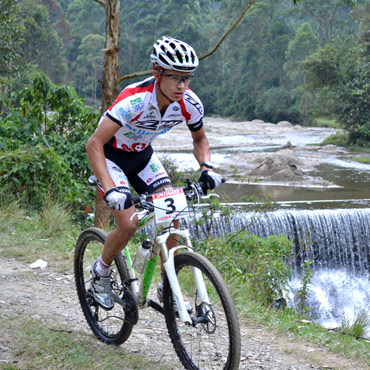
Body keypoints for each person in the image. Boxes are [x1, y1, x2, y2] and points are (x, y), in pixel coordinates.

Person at [86, 36, 223, 310]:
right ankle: (100, 272)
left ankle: (167, 283)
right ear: (157, 73)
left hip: (143, 156)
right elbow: (94, 144)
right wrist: (110, 189)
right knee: (128, 224)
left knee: (171, 215)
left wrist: (206, 167)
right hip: (111, 157)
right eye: (176, 78)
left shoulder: (188, 103)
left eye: (188, 78)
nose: (182, 86)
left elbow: (200, 140)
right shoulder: (134, 101)